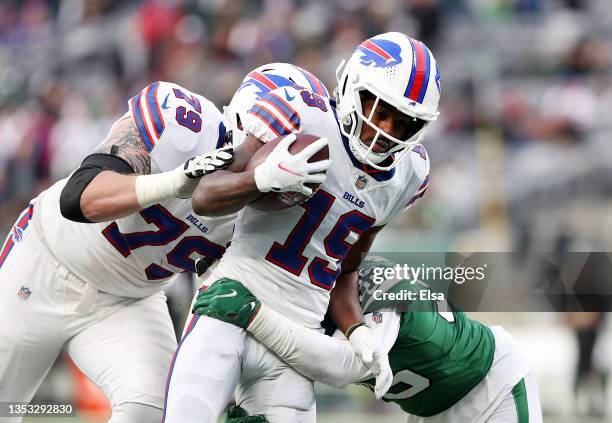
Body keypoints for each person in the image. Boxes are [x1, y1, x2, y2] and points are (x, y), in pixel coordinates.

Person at [0, 64, 329, 422]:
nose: (293, 163)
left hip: (129, 301)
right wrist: (174, 182)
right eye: (283, 143)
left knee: (153, 409)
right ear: (248, 120)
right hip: (45, 264)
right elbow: (80, 199)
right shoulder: (182, 122)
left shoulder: (276, 212)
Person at [163, 32, 440, 423]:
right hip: (228, 305)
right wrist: (257, 180)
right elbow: (204, 196)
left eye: (404, 123)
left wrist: (356, 329)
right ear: (350, 88)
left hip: (297, 342)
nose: (386, 131)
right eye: (379, 111)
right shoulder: (301, 114)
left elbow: (345, 268)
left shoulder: (408, 175)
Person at [194, 255, 544, 423]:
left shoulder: (378, 288)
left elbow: (343, 366)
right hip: (428, 411)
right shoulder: (306, 302)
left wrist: (255, 315)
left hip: (492, 385)